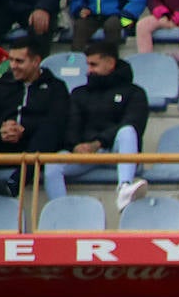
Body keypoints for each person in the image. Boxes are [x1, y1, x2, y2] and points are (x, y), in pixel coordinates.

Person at [47, 41, 150, 212]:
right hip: (86, 155)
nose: (89, 70)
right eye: (88, 64)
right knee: (52, 164)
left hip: (117, 153)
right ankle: (62, 213)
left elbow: (134, 123)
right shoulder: (79, 93)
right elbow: (72, 124)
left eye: (93, 64)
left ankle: (124, 187)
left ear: (110, 63)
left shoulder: (135, 92)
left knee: (127, 131)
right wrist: (75, 146)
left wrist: (98, 143)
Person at [0, 35, 69, 199]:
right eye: (11, 60)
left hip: (33, 147)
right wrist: (0, 129)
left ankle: (14, 184)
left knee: (50, 130)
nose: (13, 66)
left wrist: (23, 129)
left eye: (19, 61)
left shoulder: (56, 87)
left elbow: (59, 121)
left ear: (36, 61)